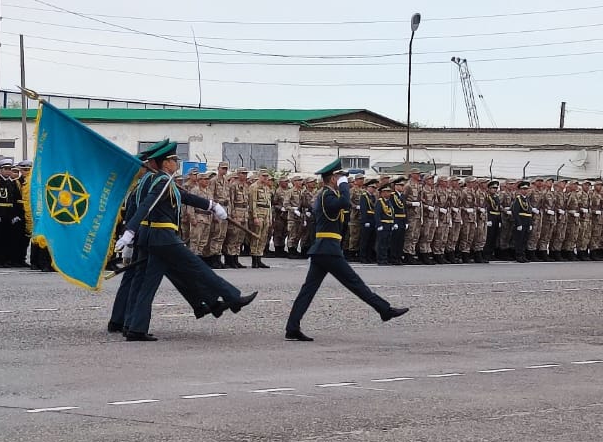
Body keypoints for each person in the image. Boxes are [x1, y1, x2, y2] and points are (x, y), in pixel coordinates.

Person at [115, 140, 256, 342]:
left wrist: (212, 206)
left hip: (152, 237)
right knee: (198, 267)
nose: (177, 163)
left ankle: (134, 326)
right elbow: (146, 205)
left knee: (145, 283)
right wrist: (129, 231)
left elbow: (185, 197)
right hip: (162, 237)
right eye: (174, 160)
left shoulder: (157, 180)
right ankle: (233, 298)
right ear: (165, 163)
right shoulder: (161, 181)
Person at [284, 160, 409, 342]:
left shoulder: (326, 194)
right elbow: (344, 203)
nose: (342, 181)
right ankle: (385, 310)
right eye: (339, 177)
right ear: (333, 179)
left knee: (308, 290)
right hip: (328, 249)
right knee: (355, 283)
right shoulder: (327, 195)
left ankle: (292, 328)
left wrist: (341, 185)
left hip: (324, 249)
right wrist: (344, 185)